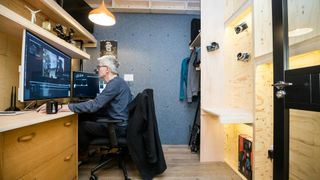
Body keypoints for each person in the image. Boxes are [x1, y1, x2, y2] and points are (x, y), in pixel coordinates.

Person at [38, 55, 132, 160]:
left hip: (117, 128)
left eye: (99, 66)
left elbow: (94, 106)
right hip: (119, 124)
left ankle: (82, 155)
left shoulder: (114, 84)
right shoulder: (118, 82)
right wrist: (92, 103)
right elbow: (99, 103)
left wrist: (63, 107)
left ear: (107, 70)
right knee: (85, 117)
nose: (97, 69)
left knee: (83, 126)